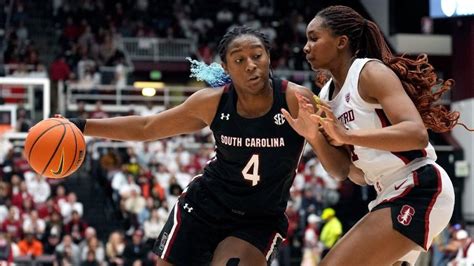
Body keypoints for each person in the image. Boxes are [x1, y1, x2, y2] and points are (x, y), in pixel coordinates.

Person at [64, 26, 331, 265]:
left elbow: (340, 167)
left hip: (259, 218)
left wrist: (321, 136)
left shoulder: (297, 99)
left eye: (257, 56)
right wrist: (82, 125)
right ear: (226, 67)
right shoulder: (212, 102)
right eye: (239, 59)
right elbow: (148, 127)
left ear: (269, 57)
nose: (251, 65)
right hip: (204, 207)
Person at [282, 5, 471, 265]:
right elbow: (346, 172)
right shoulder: (325, 97)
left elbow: (417, 135)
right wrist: (314, 137)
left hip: (420, 185)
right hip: (385, 193)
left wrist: (348, 137)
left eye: (314, 38)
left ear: (341, 42)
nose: (306, 46)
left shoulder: (369, 72)